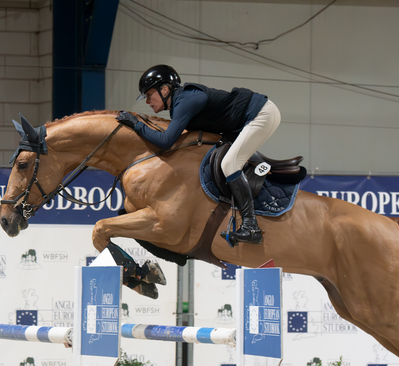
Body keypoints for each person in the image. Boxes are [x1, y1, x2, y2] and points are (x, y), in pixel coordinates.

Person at [115, 65, 281, 244]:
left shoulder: (186, 101)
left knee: (229, 164)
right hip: (248, 119)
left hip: (260, 114)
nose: (148, 101)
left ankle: (250, 226)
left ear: (164, 90)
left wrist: (136, 125)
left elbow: (165, 141)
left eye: (149, 95)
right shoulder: (180, 103)